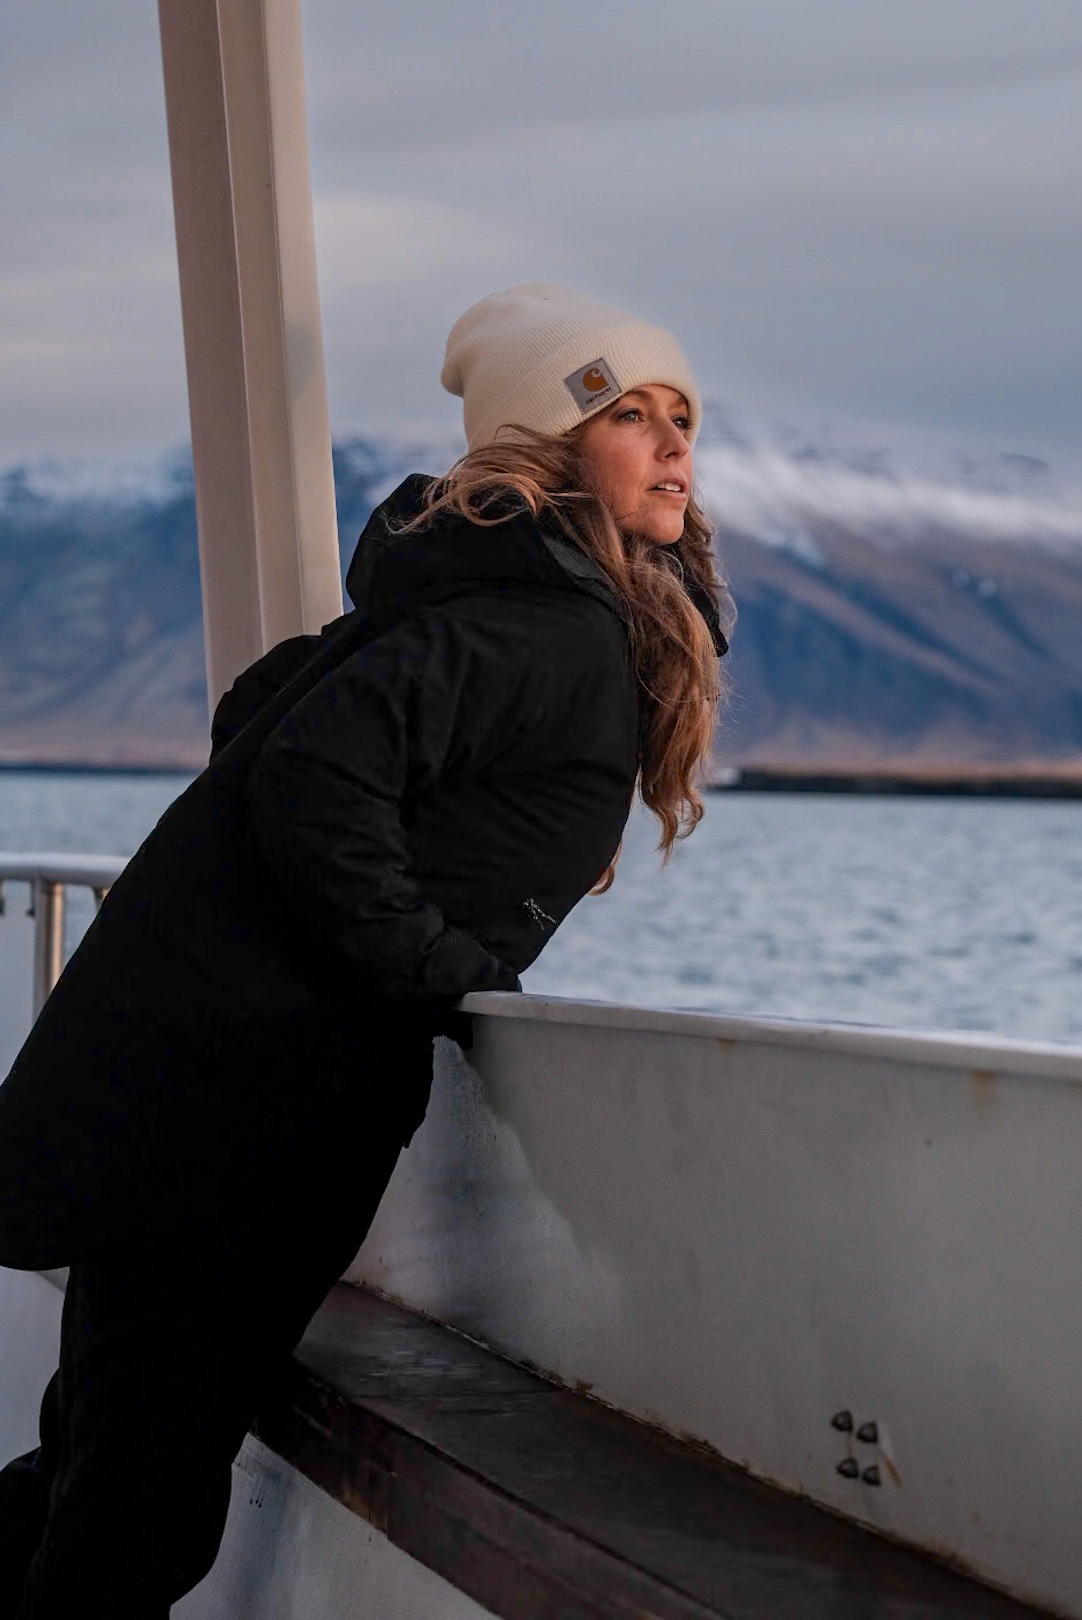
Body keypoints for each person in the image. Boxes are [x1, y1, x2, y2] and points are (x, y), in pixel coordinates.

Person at [0, 282, 729, 1618]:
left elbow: (263, 722)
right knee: (137, 1498)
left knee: (108, 1453)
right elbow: (309, 777)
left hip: (212, 1089)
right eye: (631, 415)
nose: (676, 443)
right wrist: (427, 961)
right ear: (552, 444)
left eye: (684, 416)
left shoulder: (481, 603)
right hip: (249, 1109)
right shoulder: (541, 623)